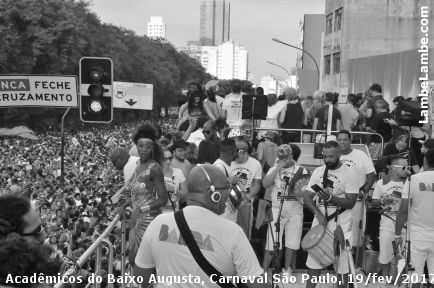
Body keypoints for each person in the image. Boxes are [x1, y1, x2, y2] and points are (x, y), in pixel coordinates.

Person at [133, 165, 267, 288]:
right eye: (225, 187)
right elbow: (258, 285)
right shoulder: (232, 232)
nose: (228, 192)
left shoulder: (158, 224)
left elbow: (140, 280)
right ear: (213, 192)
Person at [303, 141, 359, 288]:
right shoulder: (318, 171)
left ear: (340, 154)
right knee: (313, 265)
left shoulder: (350, 173)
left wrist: (330, 198)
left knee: (342, 268)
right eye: (325, 156)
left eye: (331, 157)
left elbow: (351, 202)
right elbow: (307, 196)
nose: (327, 160)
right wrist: (317, 213)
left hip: (341, 224)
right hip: (320, 223)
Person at [120, 124, 168, 266]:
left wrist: (141, 209)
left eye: (148, 146)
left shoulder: (155, 169)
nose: (144, 150)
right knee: (133, 258)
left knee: (140, 259)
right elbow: (136, 194)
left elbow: (163, 199)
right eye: (141, 146)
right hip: (136, 220)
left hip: (149, 219)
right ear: (136, 146)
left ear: (153, 148)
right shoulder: (136, 165)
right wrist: (123, 206)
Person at [262, 144, 309, 278]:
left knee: (292, 243)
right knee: (271, 242)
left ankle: (287, 270)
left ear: (291, 156)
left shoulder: (301, 170)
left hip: (295, 211)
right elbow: (265, 184)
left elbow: (305, 191)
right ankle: (265, 271)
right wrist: (278, 167)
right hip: (277, 210)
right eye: (281, 157)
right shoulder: (274, 168)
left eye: (286, 157)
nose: (284, 159)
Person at [395, 149, 434, 288]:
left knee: (415, 278)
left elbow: (403, 210)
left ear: (425, 161)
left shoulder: (413, 179)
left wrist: (397, 234)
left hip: (417, 237)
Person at [371, 156, 409, 279]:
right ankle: (385, 281)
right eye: (403, 167)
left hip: (406, 224)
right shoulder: (381, 182)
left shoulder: (409, 181)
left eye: (408, 167)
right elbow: (374, 201)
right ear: (393, 167)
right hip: (387, 223)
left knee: (404, 256)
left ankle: (400, 282)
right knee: (385, 256)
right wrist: (383, 200)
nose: (406, 169)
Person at [337, 130, 376, 247]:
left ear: (350, 140)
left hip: (356, 202)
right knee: (338, 237)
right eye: (339, 140)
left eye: (345, 139)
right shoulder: (333, 155)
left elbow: (372, 175)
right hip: (337, 202)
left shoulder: (360, 154)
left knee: (355, 238)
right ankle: (338, 264)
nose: (342, 142)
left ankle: (354, 264)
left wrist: (364, 190)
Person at [231, 139, 262, 238]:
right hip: (229, 202)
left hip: (246, 203)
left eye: (235, 154)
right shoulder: (230, 161)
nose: (233, 156)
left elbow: (257, 184)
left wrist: (249, 196)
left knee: (243, 234)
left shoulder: (255, 164)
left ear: (243, 152)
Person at [161, 147, 187, 214]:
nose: (168, 161)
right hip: (159, 215)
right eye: (165, 159)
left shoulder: (178, 172)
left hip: (175, 214)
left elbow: (185, 195)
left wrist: (174, 190)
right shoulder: (154, 174)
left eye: (170, 158)